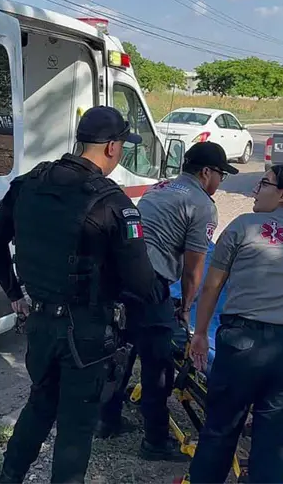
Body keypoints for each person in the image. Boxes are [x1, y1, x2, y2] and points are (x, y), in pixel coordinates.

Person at [0, 106, 158, 484]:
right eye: (123, 147)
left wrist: (14, 291)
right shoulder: (114, 204)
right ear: (112, 147)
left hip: (41, 323)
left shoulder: (30, 182)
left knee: (39, 405)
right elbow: (141, 282)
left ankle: (8, 479)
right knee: (76, 428)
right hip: (87, 331)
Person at [186, 164, 283, 484]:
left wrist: (199, 334)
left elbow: (211, 286)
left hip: (243, 345)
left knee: (219, 434)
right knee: (275, 447)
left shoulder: (244, 227)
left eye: (264, 184)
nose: (256, 190)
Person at [95, 141, 234, 461]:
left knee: (123, 349)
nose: (220, 183)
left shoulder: (161, 187)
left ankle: (106, 419)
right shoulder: (202, 204)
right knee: (158, 362)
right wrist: (185, 308)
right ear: (206, 173)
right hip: (148, 283)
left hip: (118, 276)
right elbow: (194, 268)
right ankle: (156, 441)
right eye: (220, 176)